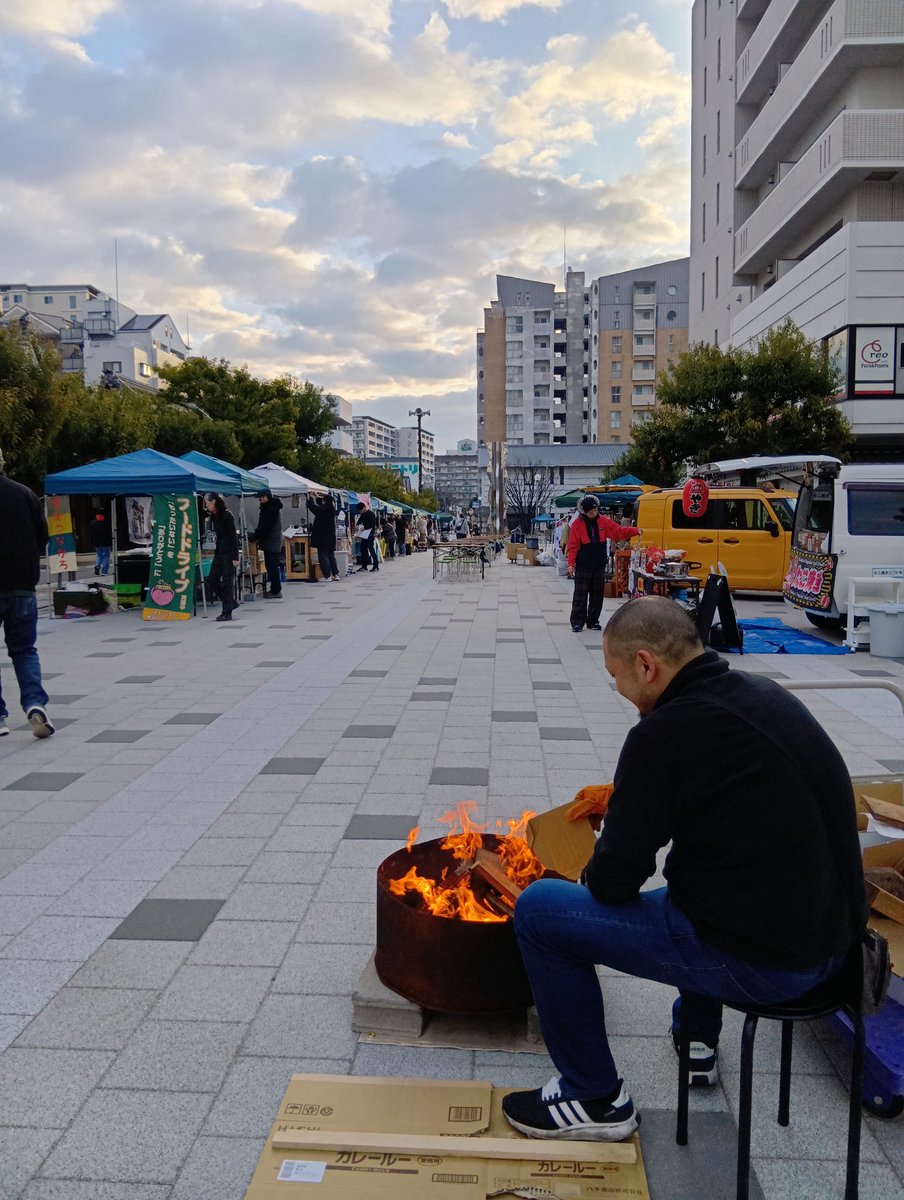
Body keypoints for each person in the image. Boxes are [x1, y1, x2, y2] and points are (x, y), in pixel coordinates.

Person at [501, 595, 866, 1142]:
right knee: (696, 880)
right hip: (837, 944)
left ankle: (592, 1096)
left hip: (770, 963)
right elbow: (726, 799)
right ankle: (697, 1034)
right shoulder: (761, 694)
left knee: (539, 913)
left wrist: (611, 836)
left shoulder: (662, 734)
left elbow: (614, 883)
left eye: (615, 675)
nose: (617, 689)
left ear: (646, 664)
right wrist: (635, 800)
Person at [0, 446, 54, 737]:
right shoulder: (25, 494)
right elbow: (41, 537)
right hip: (22, 585)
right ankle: (35, 704)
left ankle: (0, 718)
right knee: (24, 650)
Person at [567, 496, 640, 633]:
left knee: (597, 595)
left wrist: (634, 531)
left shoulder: (603, 521)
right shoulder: (577, 524)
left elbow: (619, 532)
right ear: (584, 513)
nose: (594, 513)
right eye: (591, 512)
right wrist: (571, 564)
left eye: (595, 510)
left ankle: (593, 620)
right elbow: (572, 546)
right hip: (583, 564)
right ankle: (577, 622)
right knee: (580, 595)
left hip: (599, 563)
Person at [203, 493, 239, 621]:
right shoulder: (214, 516)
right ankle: (230, 602)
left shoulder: (226, 515)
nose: (206, 506)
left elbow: (233, 536)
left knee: (227, 582)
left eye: (207, 503)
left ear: (213, 502)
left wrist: (235, 556)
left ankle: (227, 612)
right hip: (219, 552)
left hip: (228, 552)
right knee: (212, 578)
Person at [251, 488, 284, 597]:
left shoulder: (270, 509)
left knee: (271, 566)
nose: (259, 500)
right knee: (271, 566)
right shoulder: (272, 507)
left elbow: (265, 527)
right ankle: (275, 589)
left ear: (266, 497)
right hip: (272, 541)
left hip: (271, 541)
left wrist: (255, 536)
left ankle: (276, 590)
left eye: (260, 498)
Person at [306, 492, 339, 581]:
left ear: (325, 501)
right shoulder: (331, 508)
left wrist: (310, 498)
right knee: (331, 556)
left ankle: (327, 576)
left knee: (323, 556)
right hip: (330, 537)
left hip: (323, 537)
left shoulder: (324, 510)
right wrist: (317, 497)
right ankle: (335, 574)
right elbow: (321, 506)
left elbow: (314, 508)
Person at [354, 502, 378, 571]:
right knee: (363, 550)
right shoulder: (363, 515)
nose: (360, 512)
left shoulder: (371, 514)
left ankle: (375, 566)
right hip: (364, 535)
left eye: (361, 510)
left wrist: (364, 528)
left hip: (370, 534)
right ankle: (364, 566)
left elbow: (372, 524)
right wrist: (357, 525)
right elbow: (359, 521)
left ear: (364, 507)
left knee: (371, 549)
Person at [89, 510, 112, 576]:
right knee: (106, 556)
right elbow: (109, 533)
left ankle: (97, 566)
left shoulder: (92, 523)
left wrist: (92, 542)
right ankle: (104, 571)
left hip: (96, 543)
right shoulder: (106, 523)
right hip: (106, 542)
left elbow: (91, 534)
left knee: (99, 555)